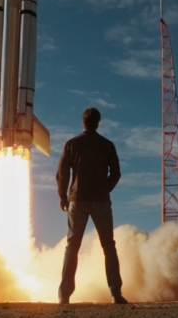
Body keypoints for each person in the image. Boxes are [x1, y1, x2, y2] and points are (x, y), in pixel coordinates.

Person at [55, 107, 128, 305]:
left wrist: (63, 196)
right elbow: (116, 173)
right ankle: (116, 294)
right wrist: (105, 188)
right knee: (109, 247)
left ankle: (64, 295)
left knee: (72, 246)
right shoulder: (107, 145)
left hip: (77, 201)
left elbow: (62, 173)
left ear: (83, 122)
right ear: (98, 122)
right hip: (101, 202)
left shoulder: (72, 144)